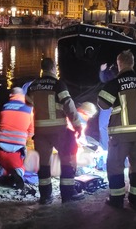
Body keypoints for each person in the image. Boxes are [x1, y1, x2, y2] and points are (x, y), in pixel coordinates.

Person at [25, 58, 85, 204]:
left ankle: (45, 197)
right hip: (59, 131)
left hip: (40, 132)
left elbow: (28, 102)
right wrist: (77, 126)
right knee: (67, 161)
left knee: (44, 164)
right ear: (53, 68)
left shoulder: (33, 85)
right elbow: (69, 106)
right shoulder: (59, 84)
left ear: (42, 69)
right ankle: (67, 195)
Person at [98, 50, 136, 210]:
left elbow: (102, 103)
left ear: (119, 63)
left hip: (120, 135)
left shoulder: (116, 83)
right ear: (132, 63)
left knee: (115, 165)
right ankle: (135, 199)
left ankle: (117, 199)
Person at [0, 87, 34, 192]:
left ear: (10, 95)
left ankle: (0, 171)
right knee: (21, 166)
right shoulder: (29, 108)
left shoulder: (4, 107)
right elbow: (31, 132)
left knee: (2, 162)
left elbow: (1, 125)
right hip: (17, 150)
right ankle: (17, 172)